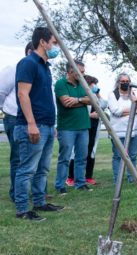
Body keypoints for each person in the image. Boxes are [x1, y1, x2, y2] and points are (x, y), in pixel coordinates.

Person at [14, 27, 64, 221]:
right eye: (54, 42)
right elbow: (22, 94)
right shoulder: (28, 63)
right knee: (27, 169)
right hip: (33, 126)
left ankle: (40, 202)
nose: (55, 47)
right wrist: (31, 124)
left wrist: (53, 126)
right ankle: (22, 209)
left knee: (42, 168)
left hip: (48, 125)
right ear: (43, 42)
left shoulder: (45, 66)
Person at [0, 42, 34, 202]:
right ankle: (17, 193)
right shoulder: (13, 69)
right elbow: (1, 92)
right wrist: (8, 110)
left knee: (33, 158)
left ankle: (34, 192)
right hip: (14, 118)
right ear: (29, 51)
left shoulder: (41, 70)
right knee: (19, 158)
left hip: (34, 119)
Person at [54, 60, 93, 194]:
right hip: (67, 127)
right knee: (64, 157)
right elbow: (66, 103)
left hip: (83, 126)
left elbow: (92, 99)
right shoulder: (60, 83)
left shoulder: (83, 84)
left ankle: (80, 183)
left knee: (82, 156)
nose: (83, 75)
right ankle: (60, 185)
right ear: (71, 71)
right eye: (81, 72)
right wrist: (83, 100)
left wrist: (78, 100)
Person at [67, 75, 107, 186]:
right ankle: (71, 178)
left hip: (94, 128)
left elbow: (104, 105)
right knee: (77, 152)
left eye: (95, 84)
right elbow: (75, 111)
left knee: (91, 151)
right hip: (82, 127)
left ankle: (88, 177)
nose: (95, 86)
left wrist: (98, 93)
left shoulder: (95, 96)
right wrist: (90, 115)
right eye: (92, 84)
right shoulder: (80, 95)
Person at [108, 73, 137, 184]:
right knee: (118, 156)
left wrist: (135, 100)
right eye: (122, 81)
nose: (125, 83)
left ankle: (131, 178)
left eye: (127, 81)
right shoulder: (113, 95)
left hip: (135, 130)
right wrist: (133, 110)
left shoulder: (132, 94)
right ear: (118, 83)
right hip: (119, 132)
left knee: (133, 155)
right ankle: (117, 179)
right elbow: (116, 111)